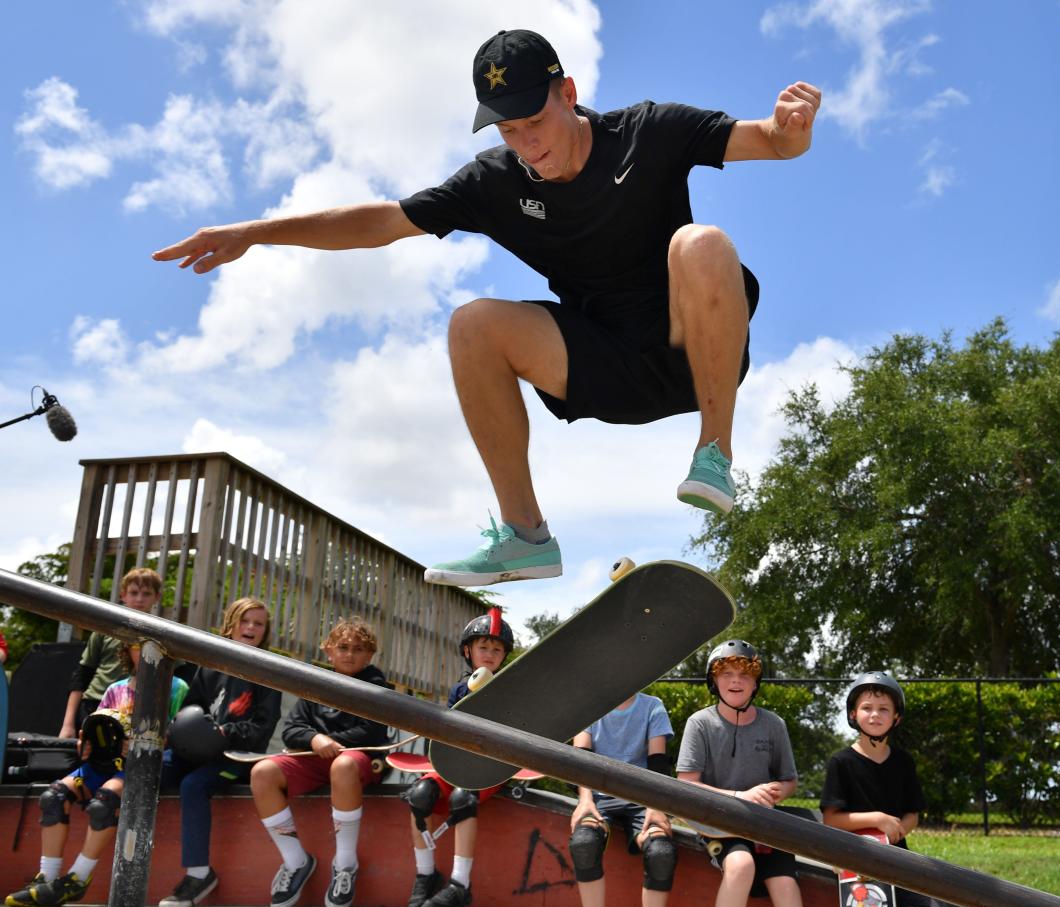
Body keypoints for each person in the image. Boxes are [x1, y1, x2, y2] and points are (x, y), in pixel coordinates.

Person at [153, 28, 822, 587]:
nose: (527, 144)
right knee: (473, 324)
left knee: (701, 244)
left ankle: (714, 452)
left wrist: (791, 130)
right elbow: (383, 221)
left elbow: (770, 140)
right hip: (601, 364)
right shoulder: (493, 183)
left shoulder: (649, 131)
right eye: (509, 129)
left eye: (536, 122)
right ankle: (525, 536)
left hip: (696, 348)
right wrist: (254, 233)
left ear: (570, 94)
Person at [6, 640, 189, 907]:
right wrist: (87, 741)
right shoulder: (115, 688)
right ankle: (47, 877)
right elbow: (98, 725)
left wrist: (145, 744)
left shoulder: (176, 687)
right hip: (102, 765)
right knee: (53, 797)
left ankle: (77, 879)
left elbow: (178, 735)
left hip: (140, 768)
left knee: (104, 802)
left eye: (152, 646)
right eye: (138, 646)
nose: (145, 652)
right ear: (126, 651)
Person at [676, 640, 805, 907]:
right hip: (718, 821)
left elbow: (789, 779)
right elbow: (687, 785)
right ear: (714, 681)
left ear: (756, 683)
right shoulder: (699, 724)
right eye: (727, 673)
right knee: (741, 866)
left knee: (787, 885)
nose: (736, 681)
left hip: (764, 824)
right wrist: (739, 797)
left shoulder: (773, 725)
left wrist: (772, 793)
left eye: (744, 675)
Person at [248, 617, 389, 907]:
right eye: (343, 647)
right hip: (315, 758)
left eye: (359, 648)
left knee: (343, 765)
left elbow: (371, 731)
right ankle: (295, 861)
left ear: (370, 655)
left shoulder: (376, 685)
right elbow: (291, 729)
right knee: (262, 772)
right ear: (329, 651)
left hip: (357, 762)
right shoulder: (317, 683)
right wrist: (314, 740)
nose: (350, 654)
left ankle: (345, 864)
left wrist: (330, 742)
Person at [820, 672, 955, 907]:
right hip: (857, 865)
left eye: (884, 709)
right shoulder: (841, 763)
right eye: (867, 708)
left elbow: (912, 814)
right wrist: (877, 820)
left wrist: (897, 831)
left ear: (896, 718)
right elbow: (831, 820)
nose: (875, 714)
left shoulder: (903, 762)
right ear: (854, 714)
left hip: (898, 861)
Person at [157, 597, 283, 907]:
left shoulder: (269, 672)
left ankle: (199, 873)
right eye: (245, 620)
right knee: (148, 771)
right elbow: (190, 711)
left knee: (193, 785)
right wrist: (182, 733)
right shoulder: (210, 666)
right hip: (199, 752)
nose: (251, 628)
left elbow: (260, 732)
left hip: (237, 759)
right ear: (231, 623)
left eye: (259, 623)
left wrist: (225, 733)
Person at [553, 692, 678, 907]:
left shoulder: (653, 706)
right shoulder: (589, 705)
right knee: (584, 842)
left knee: (661, 852)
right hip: (599, 796)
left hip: (642, 799)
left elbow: (658, 762)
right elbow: (581, 758)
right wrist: (584, 801)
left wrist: (657, 807)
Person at [404, 608, 511, 907]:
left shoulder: (513, 687)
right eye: (483, 647)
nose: (489, 654)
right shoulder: (458, 689)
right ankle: (425, 874)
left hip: (490, 765)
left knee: (465, 797)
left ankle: (460, 885)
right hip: (456, 760)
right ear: (468, 651)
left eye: (496, 649)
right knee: (419, 795)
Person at [57, 567, 162, 739]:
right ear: (123, 595)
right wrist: (67, 724)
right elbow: (82, 675)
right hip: (94, 703)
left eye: (146, 593)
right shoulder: (105, 629)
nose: (139, 599)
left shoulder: (162, 635)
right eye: (134, 592)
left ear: (157, 597)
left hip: (135, 708)